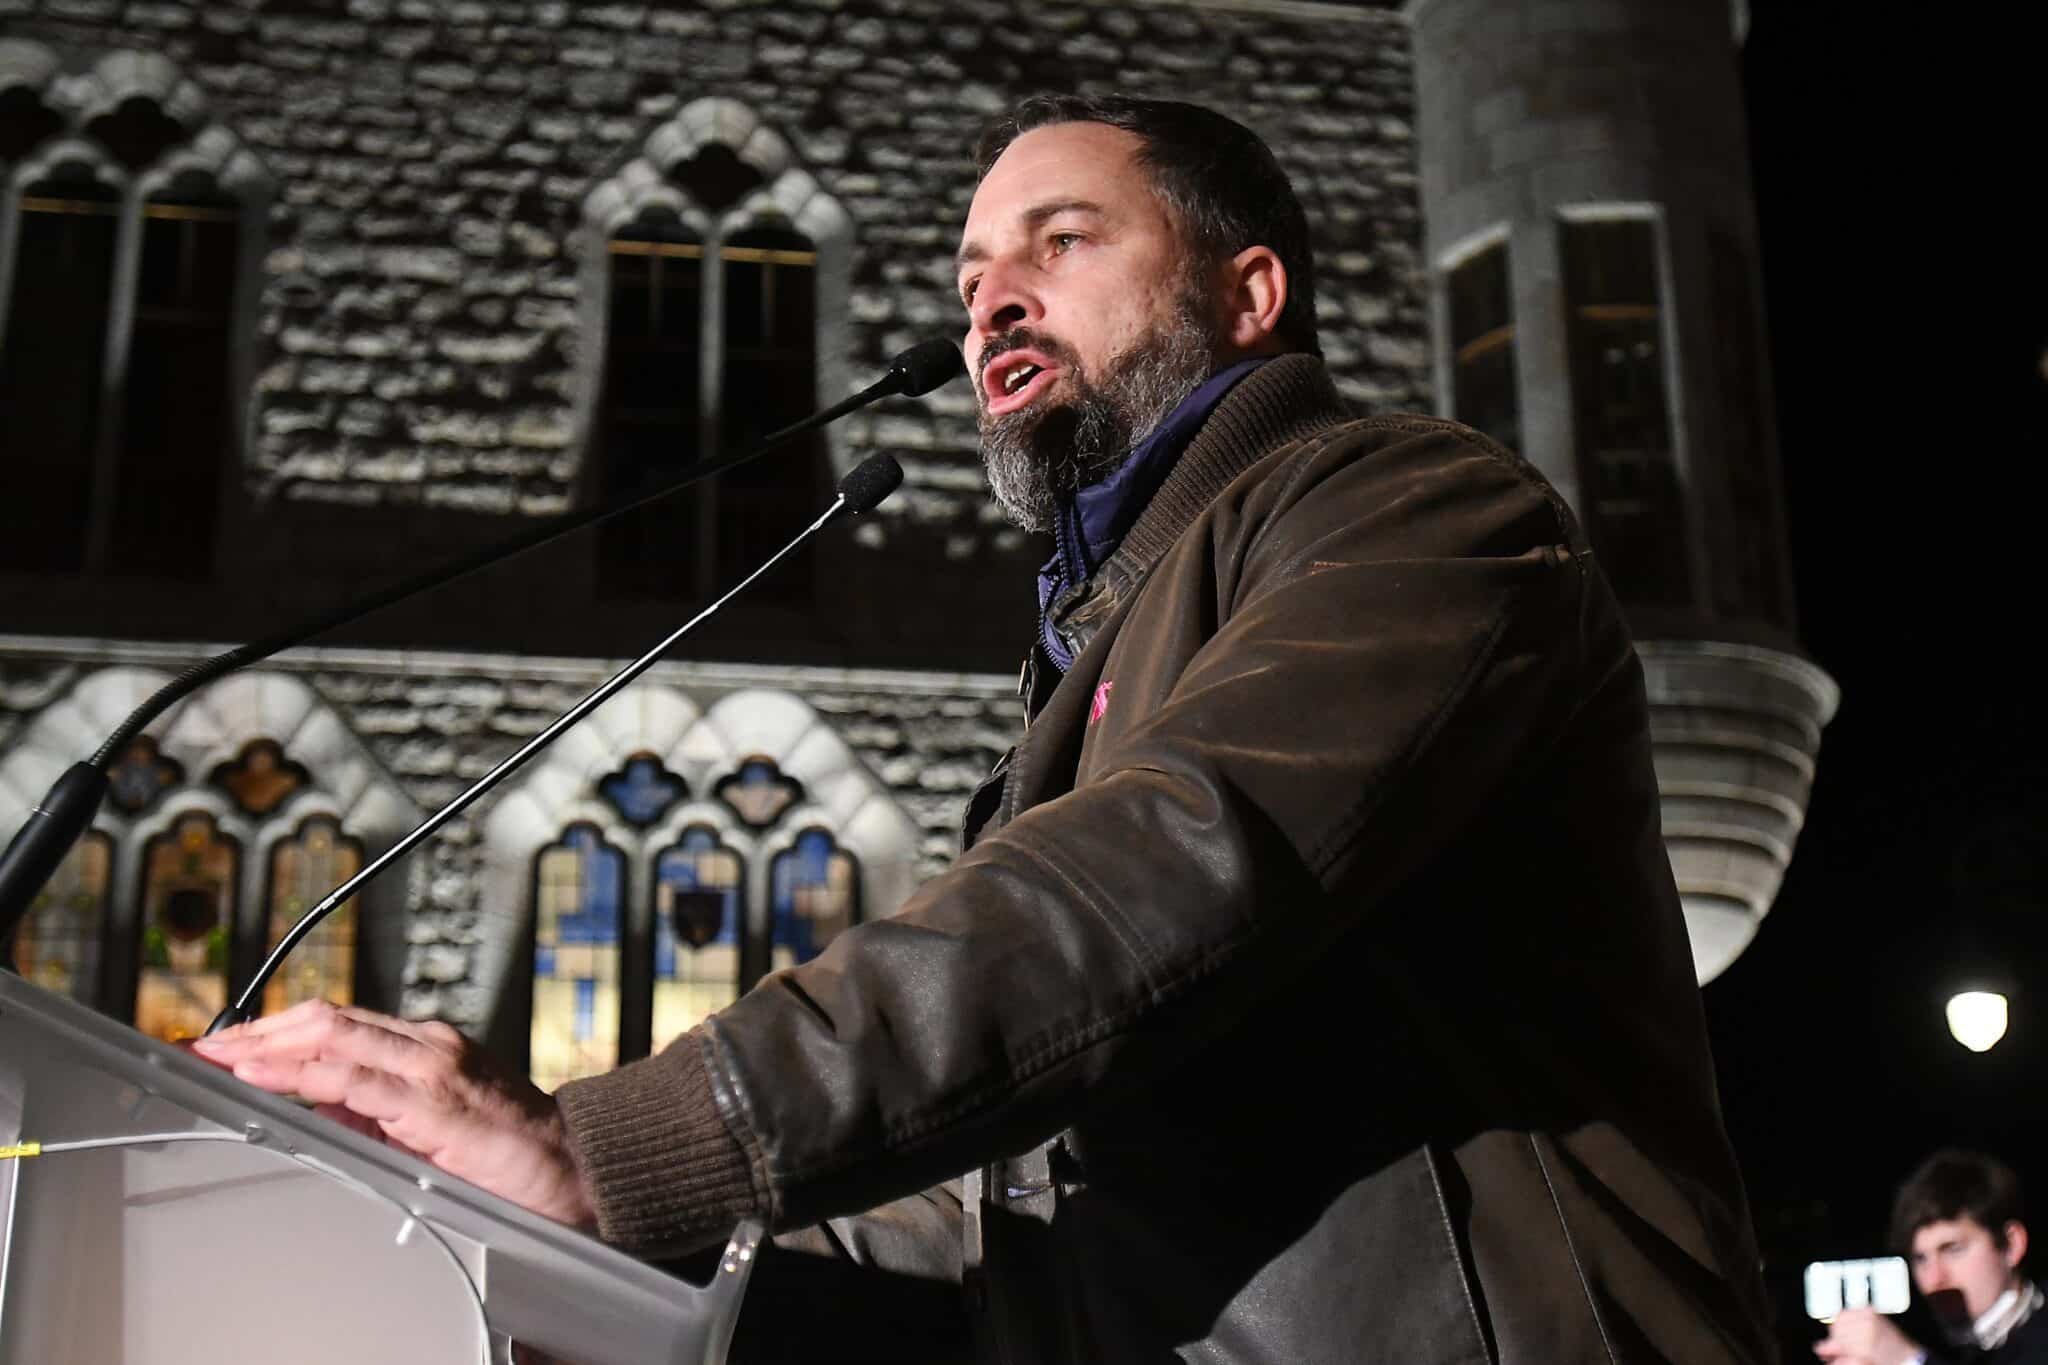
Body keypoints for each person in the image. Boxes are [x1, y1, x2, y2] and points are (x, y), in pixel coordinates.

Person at [195, 93, 1778, 1362]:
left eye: (1060, 240)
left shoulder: (1425, 512)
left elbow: (1179, 864)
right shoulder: (1087, 663)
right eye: (968, 279)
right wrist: (602, 1278)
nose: (989, 302)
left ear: (1250, 293)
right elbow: (1007, 1207)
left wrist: (636, 1148)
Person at [1819, 1150, 2048, 1365]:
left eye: (1953, 1249)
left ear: (2011, 1245)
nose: (1934, 1278)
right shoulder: (1932, 1340)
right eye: (1921, 1259)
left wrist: (1908, 1359)